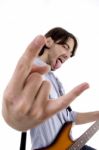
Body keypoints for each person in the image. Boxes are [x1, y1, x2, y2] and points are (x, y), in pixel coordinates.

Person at [2, 27, 98, 150]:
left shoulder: (56, 82)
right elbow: (16, 102)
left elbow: (68, 117)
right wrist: (12, 116)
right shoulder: (31, 69)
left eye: (70, 55)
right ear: (48, 42)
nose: (67, 56)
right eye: (66, 47)